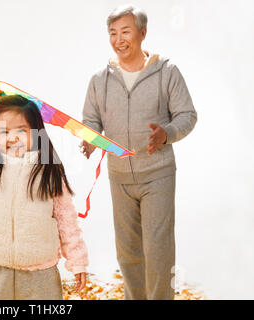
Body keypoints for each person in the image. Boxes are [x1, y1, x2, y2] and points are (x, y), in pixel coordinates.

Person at [80, 5, 197, 300]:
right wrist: (90, 139)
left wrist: (166, 134)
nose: (119, 39)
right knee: (128, 253)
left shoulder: (166, 72)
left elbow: (187, 115)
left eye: (126, 32)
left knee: (157, 251)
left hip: (157, 174)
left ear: (142, 33)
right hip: (119, 176)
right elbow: (91, 120)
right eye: (113, 33)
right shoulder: (99, 79)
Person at [0, 91, 88, 300]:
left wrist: (77, 260)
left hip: (40, 273)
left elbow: (66, 219)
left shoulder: (48, 171)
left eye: (21, 130)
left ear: (36, 132)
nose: (13, 137)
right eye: (4, 131)